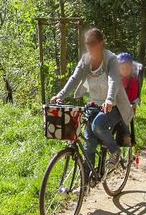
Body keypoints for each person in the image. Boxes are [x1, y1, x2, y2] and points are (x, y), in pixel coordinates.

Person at [50, 29, 134, 179]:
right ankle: (88, 180)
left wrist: (109, 99)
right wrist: (60, 95)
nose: (90, 48)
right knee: (89, 143)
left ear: (101, 43)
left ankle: (115, 151)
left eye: (93, 44)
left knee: (98, 126)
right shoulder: (86, 60)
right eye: (87, 44)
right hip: (95, 104)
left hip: (115, 105)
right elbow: (74, 78)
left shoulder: (111, 59)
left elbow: (113, 80)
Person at [116, 52, 140, 146]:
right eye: (122, 68)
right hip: (116, 105)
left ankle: (126, 135)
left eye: (128, 68)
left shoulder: (133, 81)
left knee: (123, 118)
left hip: (128, 107)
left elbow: (133, 96)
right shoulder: (116, 80)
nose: (125, 70)